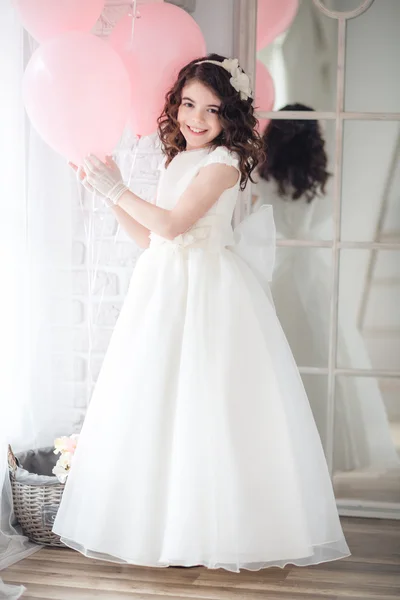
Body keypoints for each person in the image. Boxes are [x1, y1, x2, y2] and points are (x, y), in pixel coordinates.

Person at [52, 56, 350, 572]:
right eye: (188, 104)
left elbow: (172, 226)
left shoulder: (224, 162)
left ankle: (211, 530)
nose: (196, 118)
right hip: (164, 287)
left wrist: (116, 188)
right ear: (175, 106)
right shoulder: (178, 159)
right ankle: (166, 527)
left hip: (207, 291)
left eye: (211, 110)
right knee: (162, 404)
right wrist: (111, 195)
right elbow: (150, 238)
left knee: (205, 405)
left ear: (229, 116)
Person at [253, 104, 399, 474]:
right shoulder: (320, 181)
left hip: (278, 269)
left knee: (282, 355)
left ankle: (280, 450)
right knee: (318, 351)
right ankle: (322, 450)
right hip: (310, 273)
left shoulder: (260, 176)